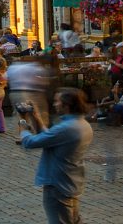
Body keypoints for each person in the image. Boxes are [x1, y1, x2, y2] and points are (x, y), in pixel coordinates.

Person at [18, 88, 91, 224]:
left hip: (57, 185)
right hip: (70, 182)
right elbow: (49, 137)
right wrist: (35, 116)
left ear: (67, 105)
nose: (54, 104)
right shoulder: (82, 124)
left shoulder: (67, 128)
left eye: (57, 101)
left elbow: (29, 142)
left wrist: (23, 122)